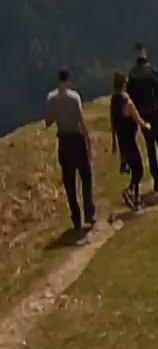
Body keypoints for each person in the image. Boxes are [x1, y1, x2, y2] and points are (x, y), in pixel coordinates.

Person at [45, 69, 93, 231]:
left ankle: (76, 217)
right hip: (76, 139)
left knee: (69, 181)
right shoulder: (74, 98)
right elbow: (81, 120)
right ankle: (89, 213)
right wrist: (88, 141)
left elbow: (49, 121)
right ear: (68, 81)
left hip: (64, 141)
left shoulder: (52, 98)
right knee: (86, 176)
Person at [127, 46, 158, 196]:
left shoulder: (132, 76)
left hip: (142, 115)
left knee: (151, 147)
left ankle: (157, 179)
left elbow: (129, 97)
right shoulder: (152, 73)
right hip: (154, 112)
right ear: (146, 56)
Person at [107, 81, 145, 213]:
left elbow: (114, 124)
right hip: (131, 140)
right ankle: (129, 191)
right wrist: (147, 126)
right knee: (139, 170)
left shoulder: (114, 103)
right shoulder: (127, 102)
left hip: (122, 141)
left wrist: (114, 142)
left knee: (135, 169)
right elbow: (137, 119)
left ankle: (137, 198)